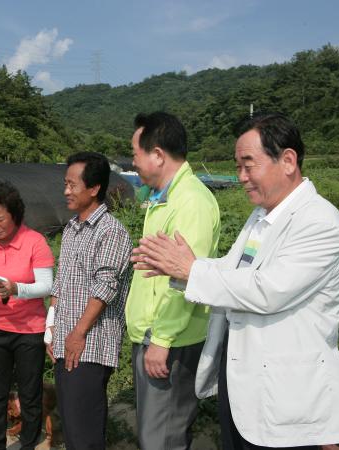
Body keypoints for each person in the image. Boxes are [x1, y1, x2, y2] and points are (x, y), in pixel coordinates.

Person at [132, 113, 339, 449]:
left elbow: (267, 291)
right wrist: (183, 268)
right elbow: (233, 270)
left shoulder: (319, 223)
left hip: (288, 398)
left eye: (249, 165)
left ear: (288, 160)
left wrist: (191, 270)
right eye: (237, 167)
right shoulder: (261, 215)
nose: (241, 177)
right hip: (245, 385)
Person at [125, 112, 220, 450]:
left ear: (158, 154)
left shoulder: (190, 201)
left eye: (136, 153)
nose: (133, 162)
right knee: (155, 434)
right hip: (156, 335)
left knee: (162, 439)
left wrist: (162, 340)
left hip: (170, 340)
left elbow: (186, 278)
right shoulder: (163, 197)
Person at [46, 151, 132, 450]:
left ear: (94, 188)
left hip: (89, 344)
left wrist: (78, 333)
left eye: (72, 185)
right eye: (65, 183)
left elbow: (105, 286)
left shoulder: (111, 231)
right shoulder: (71, 229)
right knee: (72, 426)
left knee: (84, 432)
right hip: (66, 341)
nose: (66, 190)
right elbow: (61, 282)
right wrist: (51, 328)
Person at [0, 181, 54, 450]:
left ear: (15, 214)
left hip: (29, 329)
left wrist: (18, 289)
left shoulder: (34, 242)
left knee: (29, 393)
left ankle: (28, 443)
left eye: (0, 219)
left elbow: (47, 285)